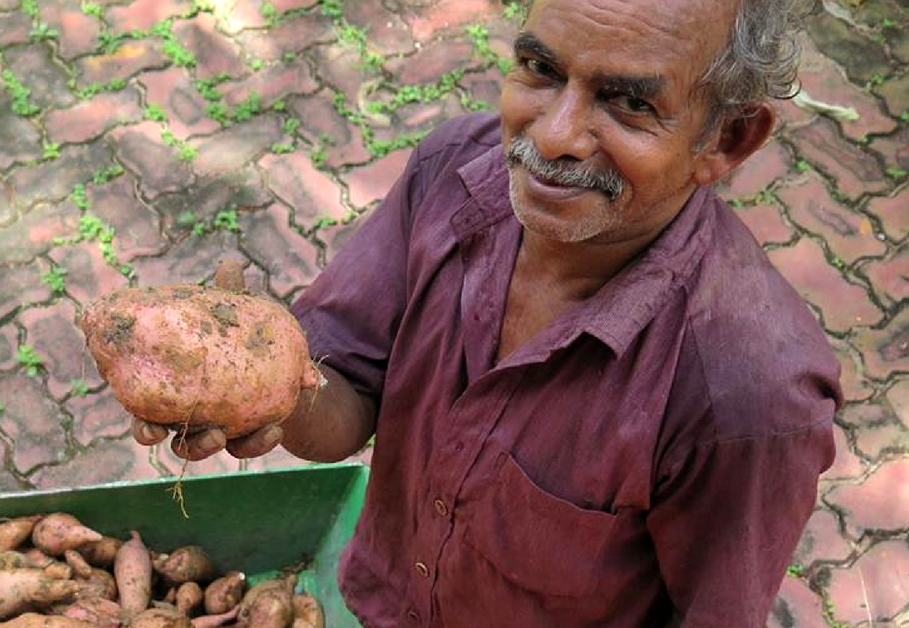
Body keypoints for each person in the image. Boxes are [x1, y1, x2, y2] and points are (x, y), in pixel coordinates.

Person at [131, 0, 841, 625]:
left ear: (727, 140)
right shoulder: (453, 172)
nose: (555, 135)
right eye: (540, 68)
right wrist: (273, 384)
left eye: (628, 103)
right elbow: (347, 392)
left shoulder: (750, 400)